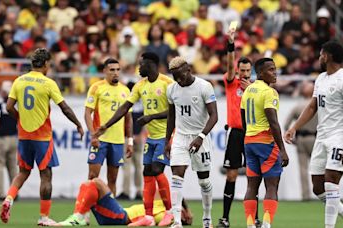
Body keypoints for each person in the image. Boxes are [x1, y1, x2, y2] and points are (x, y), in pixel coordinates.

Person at [0, 48, 84, 226]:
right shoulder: (48, 83)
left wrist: (20, 119)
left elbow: (8, 107)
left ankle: (8, 199)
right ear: (46, 64)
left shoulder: (19, 81)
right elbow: (65, 108)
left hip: (24, 135)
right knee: (46, 176)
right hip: (42, 137)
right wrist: (77, 123)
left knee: (23, 172)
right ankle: (44, 217)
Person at [95, 52, 174, 226]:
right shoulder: (139, 86)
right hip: (152, 137)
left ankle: (170, 212)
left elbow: (175, 111)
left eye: (141, 64)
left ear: (151, 64)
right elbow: (125, 107)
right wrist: (106, 125)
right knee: (147, 172)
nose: (139, 68)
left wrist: (151, 117)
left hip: (166, 135)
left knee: (157, 170)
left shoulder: (168, 84)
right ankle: (148, 216)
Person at [284, 41, 343, 228]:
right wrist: (294, 127)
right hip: (322, 136)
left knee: (331, 181)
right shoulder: (321, 79)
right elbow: (312, 106)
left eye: (321, 54)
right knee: (318, 187)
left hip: (339, 136)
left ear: (329, 56)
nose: (319, 58)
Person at [165, 56, 218, 228]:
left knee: (203, 181)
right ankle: (177, 221)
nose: (178, 80)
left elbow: (214, 116)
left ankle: (207, 218)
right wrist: (168, 140)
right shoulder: (171, 89)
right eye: (175, 77)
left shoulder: (204, 86)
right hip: (180, 137)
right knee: (176, 176)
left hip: (200, 137)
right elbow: (171, 116)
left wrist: (201, 137)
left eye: (181, 75)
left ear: (188, 70)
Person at [217, 26, 261, 228]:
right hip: (235, 133)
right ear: (236, 71)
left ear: (250, 72)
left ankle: (255, 218)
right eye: (241, 70)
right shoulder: (231, 83)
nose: (243, 74)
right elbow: (228, 62)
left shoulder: (255, 88)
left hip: (252, 134)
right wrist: (231, 43)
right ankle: (225, 218)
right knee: (232, 175)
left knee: (254, 177)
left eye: (246, 71)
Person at [241, 58, 289, 228]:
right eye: (270, 70)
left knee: (251, 186)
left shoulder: (247, 91)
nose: (274, 72)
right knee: (271, 185)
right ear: (260, 73)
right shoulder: (270, 92)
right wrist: (282, 149)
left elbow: (243, 119)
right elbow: (273, 123)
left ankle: (250, 224)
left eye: (275, 69)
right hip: (266, 143)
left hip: (249, 141)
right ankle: (267, 224)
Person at [85, 58, 133, 195]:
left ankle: (110, 215)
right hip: (100, 140)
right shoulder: (96, 87)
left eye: (118, 70)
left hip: (117, 141)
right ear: (105, 71)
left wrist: (129, 141)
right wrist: (93, 135)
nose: (115, 73)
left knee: (112, 179)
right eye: (112, 70)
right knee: (92, 177)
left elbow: (128, 118)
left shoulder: (125, 90)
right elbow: (88, 113)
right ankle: (85, 214)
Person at [57, 177, 193, 226]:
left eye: (181, 214)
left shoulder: (164, 217)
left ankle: (77, 218)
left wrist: (179, 218)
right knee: (88, 184)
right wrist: (185, 208)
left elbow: (150, 223)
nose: (179, 210)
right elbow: (170, 191)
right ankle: (79, 217)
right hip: (118, 214)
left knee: (97, 182)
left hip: (121, 217)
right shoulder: (164, 205)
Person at [283, 81, 317, 201]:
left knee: (303, 169)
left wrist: (294, 139)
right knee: (319, 168)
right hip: (315, 139)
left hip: (301, 139)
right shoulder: (317, 105)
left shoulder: (298, 106)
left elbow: (286, 124)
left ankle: (305, 195)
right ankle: (322, 194)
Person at [0, 81, 18, 200]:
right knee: (12, 167)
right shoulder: (16, 104)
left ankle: (0, 192)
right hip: (13, 138)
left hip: (1, 139)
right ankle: (14, 193)